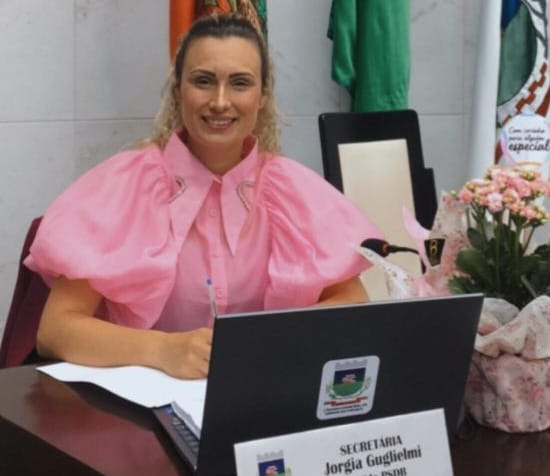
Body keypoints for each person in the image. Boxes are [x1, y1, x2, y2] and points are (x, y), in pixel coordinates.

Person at [25, 14, 382, 379]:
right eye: (203, 81)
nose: (220, 102)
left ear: (262, 96)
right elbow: (55, 330)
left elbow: (353, 302)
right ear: (177, 90)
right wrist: (162, 350)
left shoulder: (295, 191)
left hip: (261, 396)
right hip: (140, 405)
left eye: (240, 83)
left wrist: (269, 340)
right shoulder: (123, 187)